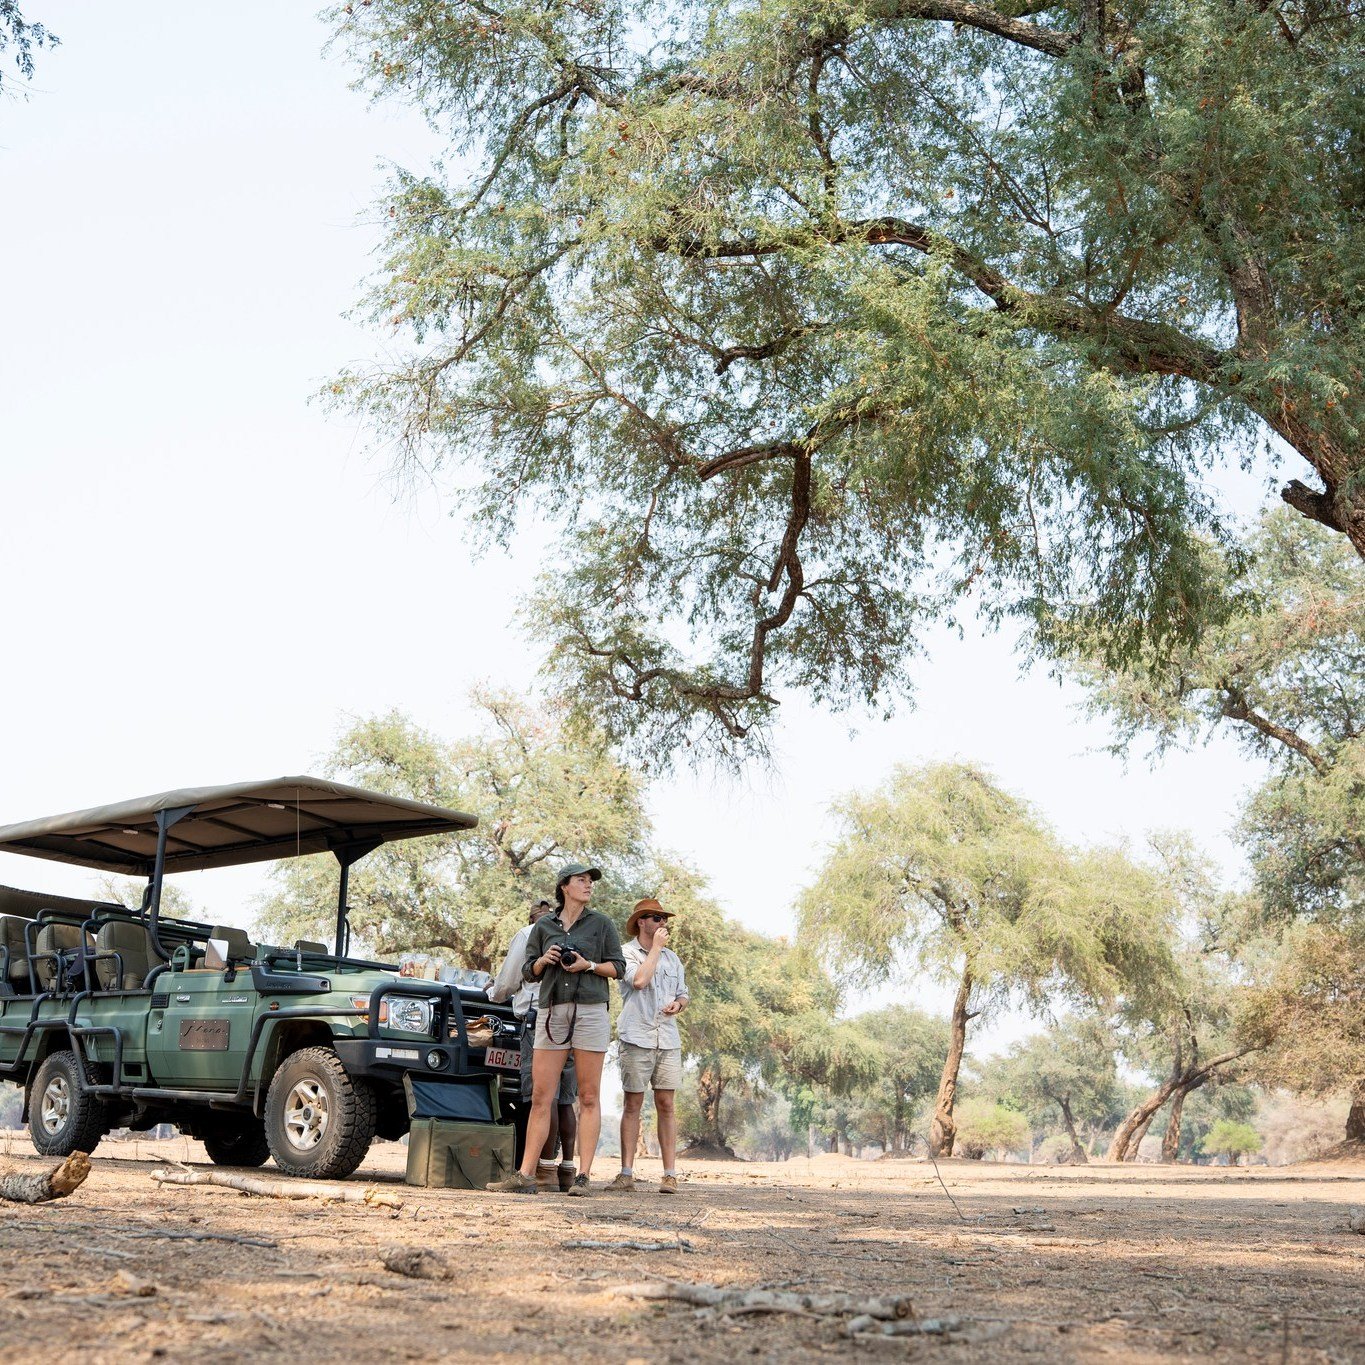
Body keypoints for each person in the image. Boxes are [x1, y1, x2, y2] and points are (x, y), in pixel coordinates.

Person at [487, 862, 625, 1197]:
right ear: (565, 886)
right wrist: (542, 960)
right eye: (582, 880)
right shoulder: (543, 926)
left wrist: (588, 965)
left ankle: (583, 1177)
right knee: (541, 1096)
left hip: (591, 1010)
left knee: (588, 1096)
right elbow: (527, 972)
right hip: (551, 1012)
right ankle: (525, 1175)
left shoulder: (602, 923)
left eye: (590, 880)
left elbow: (619, 968)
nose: (589, 885)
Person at [486, 899, 579, 1189]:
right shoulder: (574, 934)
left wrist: (492, 992)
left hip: (539, 1020)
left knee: (543, 1096)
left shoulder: (527, 934)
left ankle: (544, 1170)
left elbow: (507, 983)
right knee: (566, 1099)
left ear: (532, 919)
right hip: (573, 1020)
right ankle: (567, 1170)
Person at [611, 897, 689, 1194]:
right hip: (637, 1037)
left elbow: (683, 993)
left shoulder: (673, 959)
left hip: (667, 1038)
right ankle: (626, 1173)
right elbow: (639, 981)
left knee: (666, 1105)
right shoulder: (626, 953)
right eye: (656, 918)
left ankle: (670, 1175)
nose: (662, 923)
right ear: (641, 921)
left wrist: (678, 1005)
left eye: (663, 918)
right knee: (633, 1104)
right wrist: (655, 948)